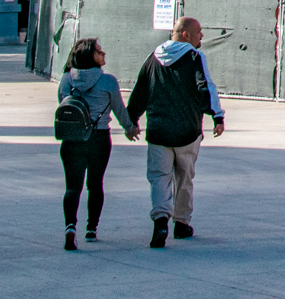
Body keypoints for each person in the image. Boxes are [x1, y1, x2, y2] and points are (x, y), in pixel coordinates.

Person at [128, 17, 225, 249]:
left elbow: (140, 90)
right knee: (184, 179)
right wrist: (217, 116)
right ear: (185, 35)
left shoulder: (152, 58)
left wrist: (131, 120)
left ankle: (161, 221)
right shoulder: (195, 57)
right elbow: (206, 86)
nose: (202, 36)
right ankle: (181, 224)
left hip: (158, 132)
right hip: (187, 132)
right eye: (199, 32)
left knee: (159, 178)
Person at [57, 38, 138, 250]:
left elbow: (63, 105)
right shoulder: (108, 81)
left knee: (72, 187)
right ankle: (91, 229)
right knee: (95, 185)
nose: (104, 54)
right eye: (99, 51)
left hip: (72, 138)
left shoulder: (66, 79)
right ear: (90, 56)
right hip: (99, 138)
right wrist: (130, 128)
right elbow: (119, 109)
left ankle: (70, 227)